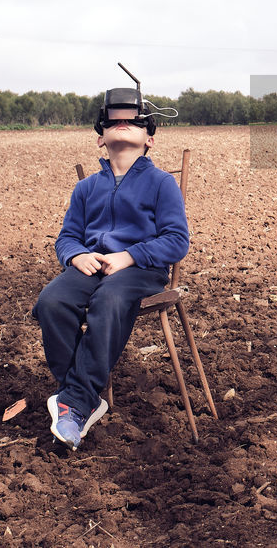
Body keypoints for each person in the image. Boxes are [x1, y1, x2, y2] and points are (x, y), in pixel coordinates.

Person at [32, 87, 189, 449]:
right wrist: (76, 256)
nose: (122, 125)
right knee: (51, 302)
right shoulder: (86, 188)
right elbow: (67, 237)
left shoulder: (161, 183)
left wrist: (129, 256)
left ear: (149, 139)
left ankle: (75, 402)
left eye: (131, 121)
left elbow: (177, 240)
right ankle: (83, 398)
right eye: (113, 122)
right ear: (100, 139)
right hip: (91, 266)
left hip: (141, 270)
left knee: (110, 301)